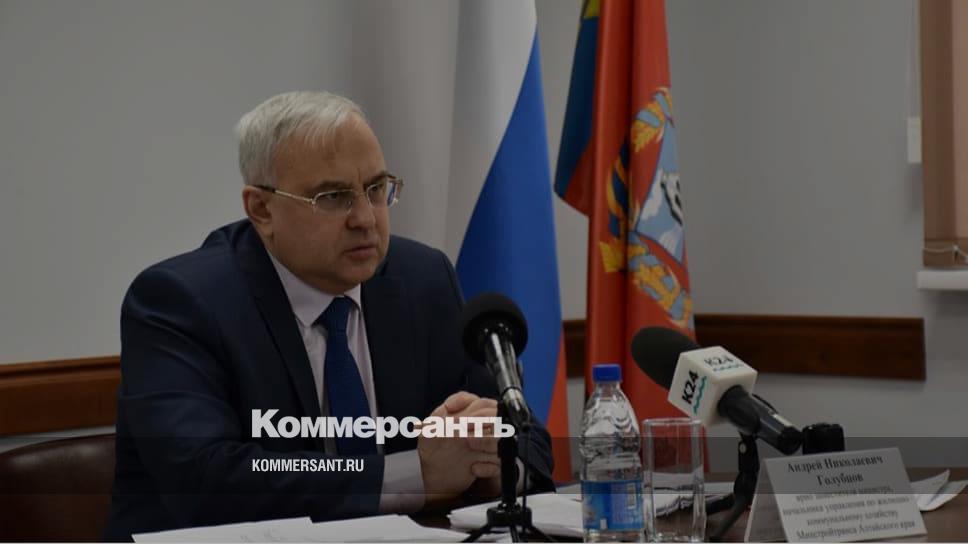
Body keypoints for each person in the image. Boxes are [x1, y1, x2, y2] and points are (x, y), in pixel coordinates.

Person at [104, 91, 554, 541]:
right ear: (262, 209)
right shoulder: (183, 302)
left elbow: (527, 439)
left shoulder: (422, 280)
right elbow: (207, 478)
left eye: (376, 189)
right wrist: (415, 474)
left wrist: (491, 463)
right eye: (334, 197)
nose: (366, 219)